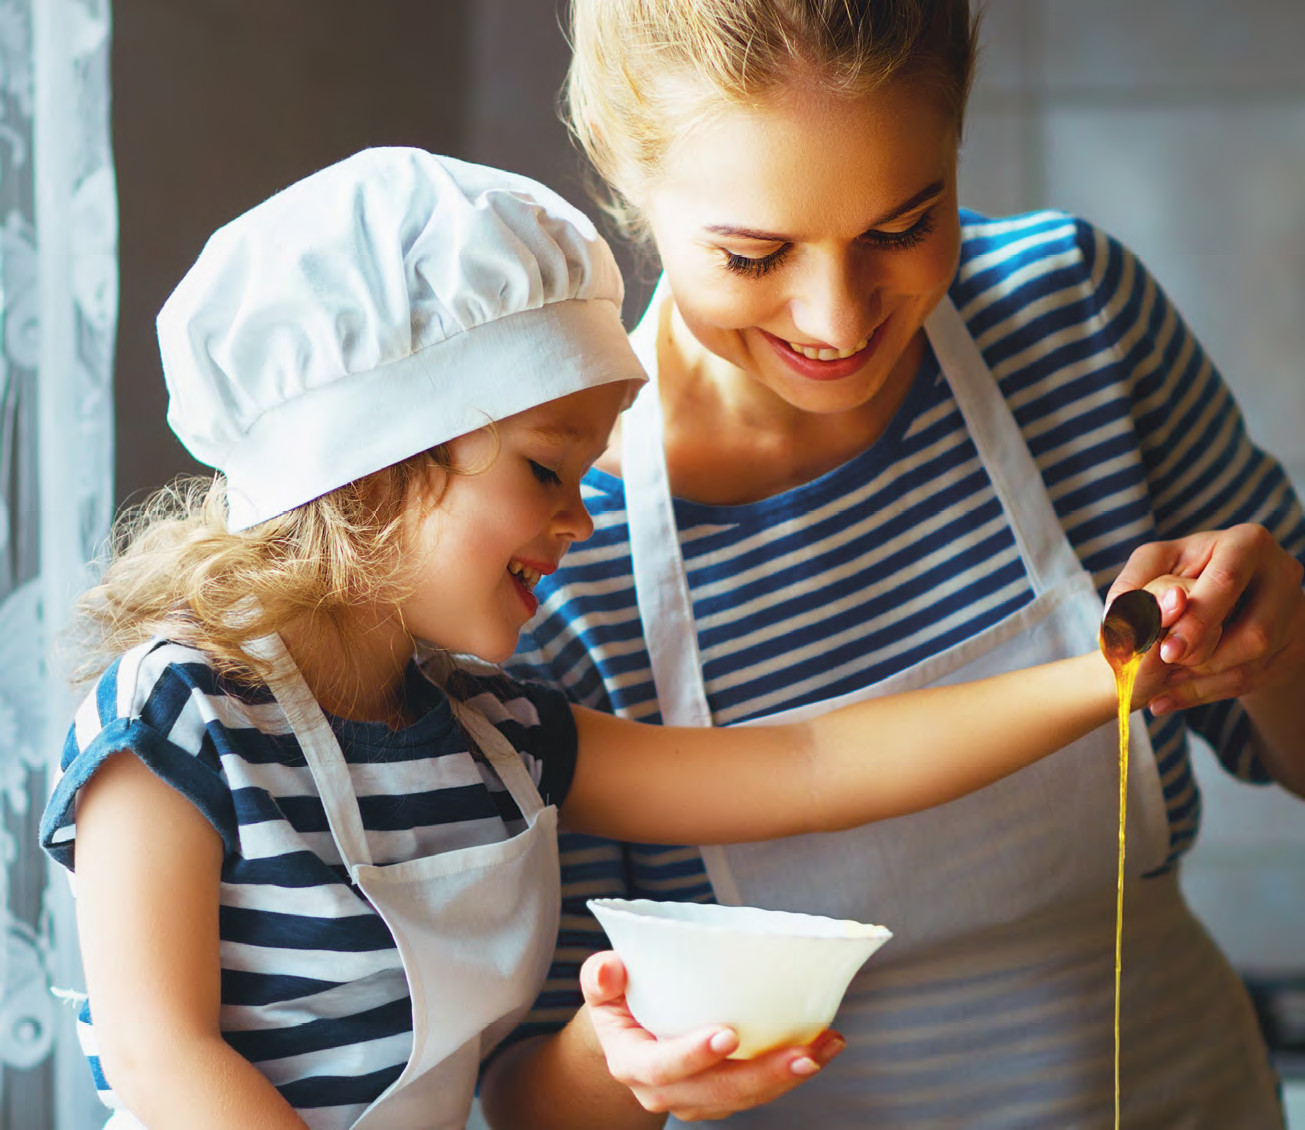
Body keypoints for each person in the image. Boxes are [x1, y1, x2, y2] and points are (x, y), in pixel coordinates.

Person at [38, 147, 1180, 1130]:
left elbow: (813, 764)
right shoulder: (178, 719)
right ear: (375, 463)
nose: (580, 519)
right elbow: (159, 1056)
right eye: (547, 468)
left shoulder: (497, 734)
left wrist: (1111, 674)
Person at [481, 1, 1305, 1127]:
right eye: (753, 255)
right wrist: (625, 1065)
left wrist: (1278, 641)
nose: (838, 318)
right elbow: (523, 1099)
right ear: (626, 181)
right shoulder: (555, 545)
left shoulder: (1077, 322)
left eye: (903, 226)